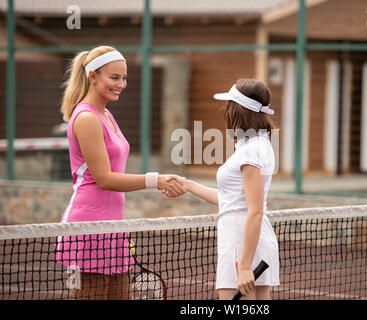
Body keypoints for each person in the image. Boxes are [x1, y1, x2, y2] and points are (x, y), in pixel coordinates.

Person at [55, 45, 185, 300]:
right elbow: (104, 179)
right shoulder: (86, 118)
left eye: (124, 78)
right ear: (92, 76)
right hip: (87, 229)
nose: (121, 84)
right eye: (114, 77)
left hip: (114, 228)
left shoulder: (106, 115)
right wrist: (156, 180)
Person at [174, 78, 280, 300]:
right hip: (250, 241)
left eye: (229, 106)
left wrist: (244, 266)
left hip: (241, 244)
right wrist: (187, 184)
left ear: (237, 111)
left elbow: (255, 210)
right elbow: (232, 200)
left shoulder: (251, 151)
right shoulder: (257, 144)